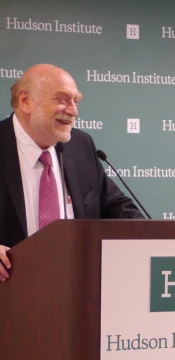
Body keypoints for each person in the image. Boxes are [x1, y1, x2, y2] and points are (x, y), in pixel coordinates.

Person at [0, 64, 143, 282]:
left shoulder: (81, 145)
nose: (73, 111)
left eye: (76, 101)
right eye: (62, 99)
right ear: (25, 101)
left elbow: (117, 207)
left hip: (75, 295)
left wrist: (152, 240)